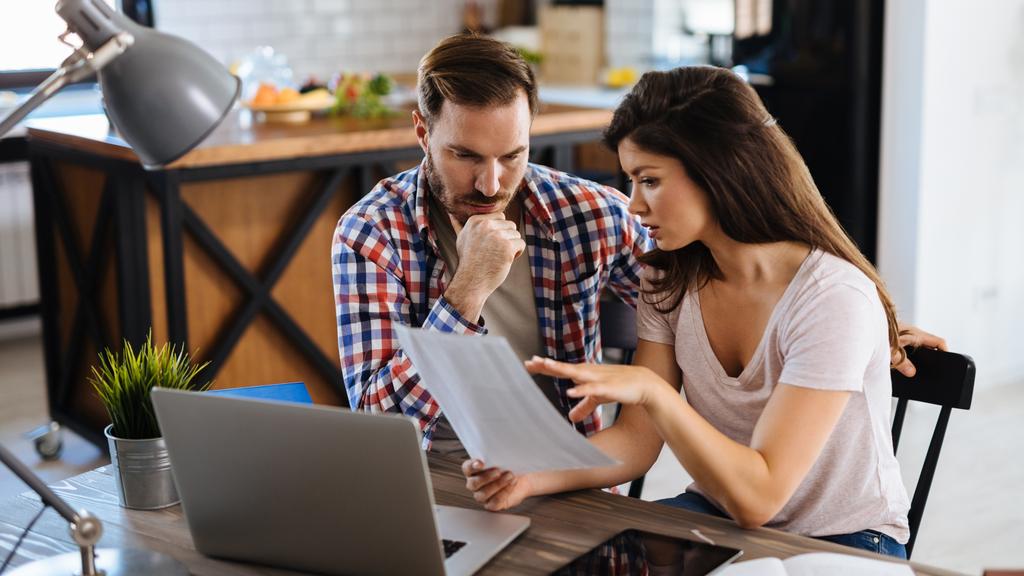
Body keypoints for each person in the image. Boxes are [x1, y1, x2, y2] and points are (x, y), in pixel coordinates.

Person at [462, 66, 947, 559]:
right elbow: (635, 442)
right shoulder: (668, 279)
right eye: (631, 181)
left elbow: (759, 497)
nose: (633, 205)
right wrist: (528, 475)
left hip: (844, 542)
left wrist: (654, 394)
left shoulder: (832, 298)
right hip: (715, 518)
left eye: (649, 180)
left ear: (719, 169)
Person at [331, 34, 649, 452]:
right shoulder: (371, 233)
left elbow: (693, 311)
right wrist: (466, 292)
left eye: (512, 156)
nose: (491, 184)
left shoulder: (591, 213)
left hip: (568, 476)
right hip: (434, 479)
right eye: (466, 156)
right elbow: (380, 426)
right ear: (423, 133)